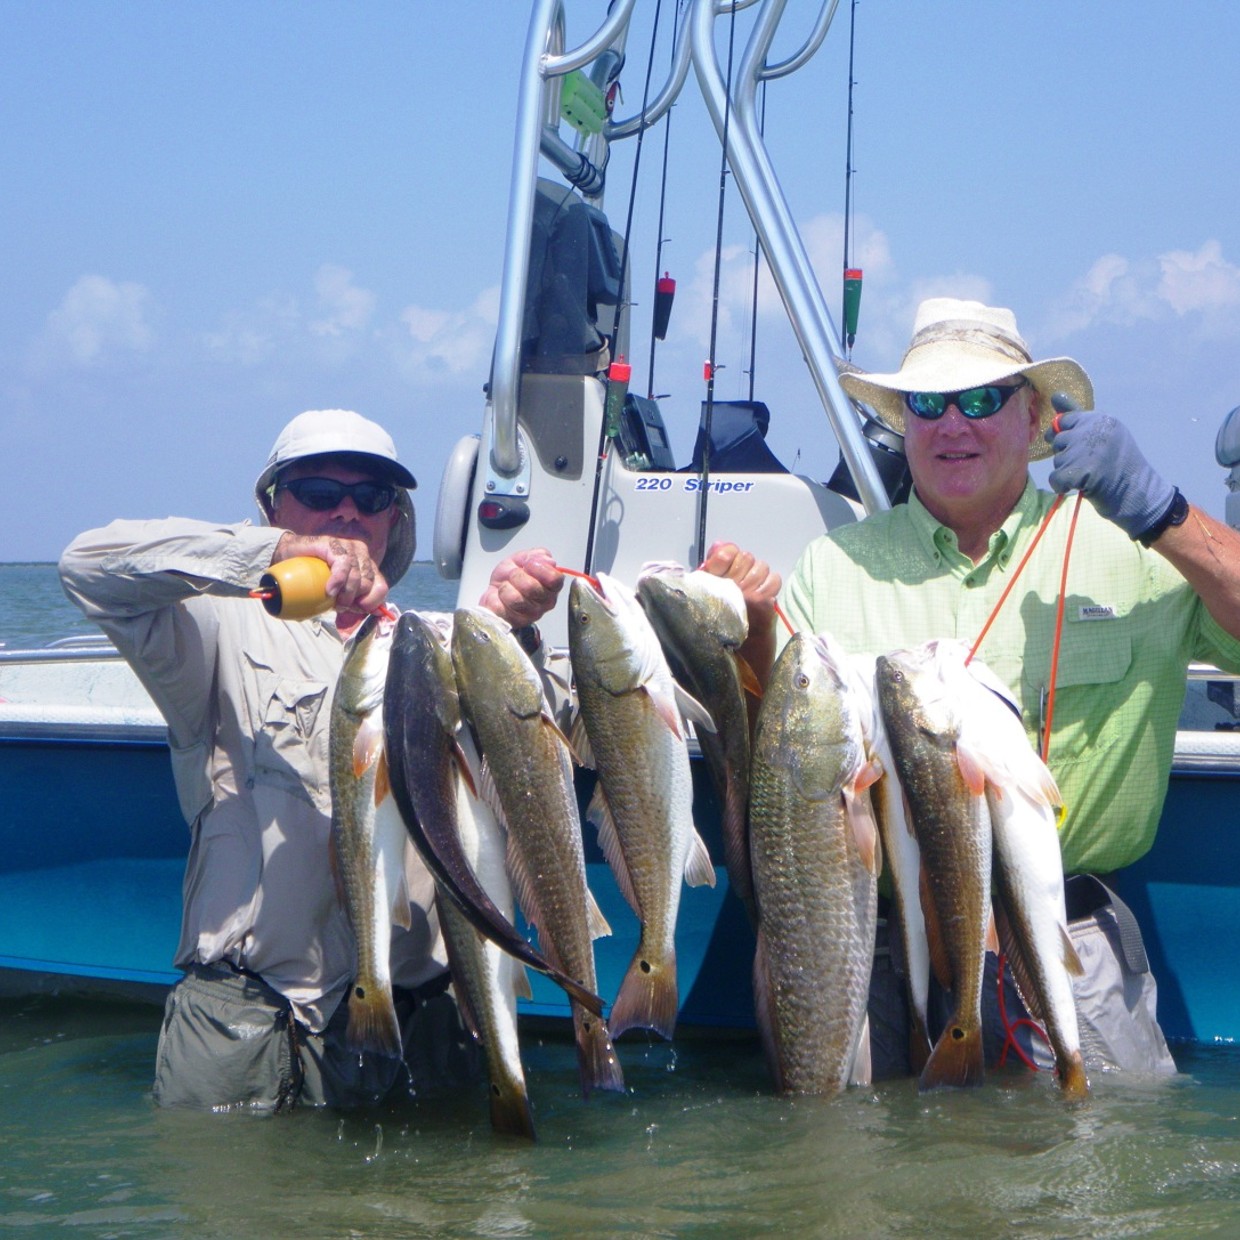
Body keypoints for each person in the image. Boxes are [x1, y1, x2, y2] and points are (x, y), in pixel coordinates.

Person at [768, 297, 1240, 1079]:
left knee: (1097, 1187)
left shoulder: (1137, 545)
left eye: (983, 399)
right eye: (928, 404)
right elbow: (772, 751)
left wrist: (1163, 512)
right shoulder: (832, 567)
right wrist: (747, 621)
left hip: (1068, 942)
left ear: (1036, 419)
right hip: (881, 951)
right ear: (905, 425)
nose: (954, 424)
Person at [59, 408, 564, 1111]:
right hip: (243, 1022)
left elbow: (559, 738)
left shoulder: (443, 643)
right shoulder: (210, 626)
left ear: (398, 520)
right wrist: (268, 555)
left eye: (373, 497)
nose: (347, 514)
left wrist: (517, 634)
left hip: (421, 1021)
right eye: (319, 493)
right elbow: (87, 566)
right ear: (272, 505)